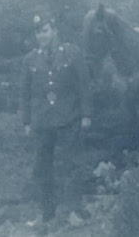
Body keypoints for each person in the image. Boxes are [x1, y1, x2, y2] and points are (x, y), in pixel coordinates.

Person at [21, 12, 92, 226]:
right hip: (42, 121)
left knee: (71, 164)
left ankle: (74, 211)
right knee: (42, 167)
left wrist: (86, 114)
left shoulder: (71, 53)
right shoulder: (30, 59)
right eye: (38, 33)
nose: (41, 36)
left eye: (45, 31)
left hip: (69, 117)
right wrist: (26, 121)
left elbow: (84, 86)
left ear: (54, 31)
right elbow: (25, 92)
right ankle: (47, 212)